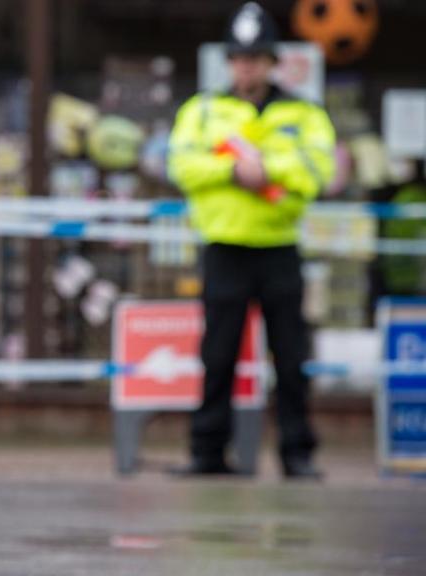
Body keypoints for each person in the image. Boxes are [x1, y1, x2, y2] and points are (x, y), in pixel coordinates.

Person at [167, 1, 335, 479]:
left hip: (279, 247)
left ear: (272, 62)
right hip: (224, 247)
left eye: (257, 58)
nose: (248, 67)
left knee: (291, 357)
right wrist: (233, 169)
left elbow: (316, 171)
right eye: (240, 58)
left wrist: (264, 170)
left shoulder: (303, 113)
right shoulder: (202, 111)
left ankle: (297, 453)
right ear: (229, 62)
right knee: (217, 354)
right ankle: (206, 452)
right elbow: (182, 166)